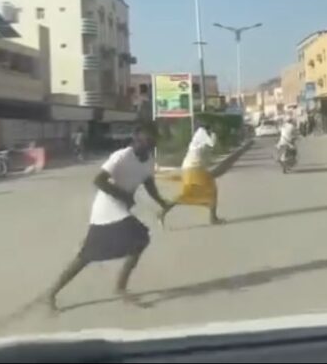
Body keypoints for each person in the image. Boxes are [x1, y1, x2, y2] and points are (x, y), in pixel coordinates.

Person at [44, 123, 172, 311]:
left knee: (139, 240)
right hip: (107, 207)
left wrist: (162, 202)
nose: (150, 141)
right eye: (147, 137)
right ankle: (52, 293)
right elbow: (99, 180)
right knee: (88, 255)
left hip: (121, 207)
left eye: (153, 138)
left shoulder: (148, 160)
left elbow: (148, 183)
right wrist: (124, 196)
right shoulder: (122, 156)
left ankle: (120, 287)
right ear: (136, 137)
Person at [160, 124, 222, 227]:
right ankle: (213, 218)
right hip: (194, 168)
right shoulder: (202, 134)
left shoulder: (199, 138)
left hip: (193, 168)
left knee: (205, 192)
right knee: (199, 193)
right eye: (210, 130)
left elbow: (210, 150)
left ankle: (164, 210)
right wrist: (214, 134)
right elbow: (212, 144)